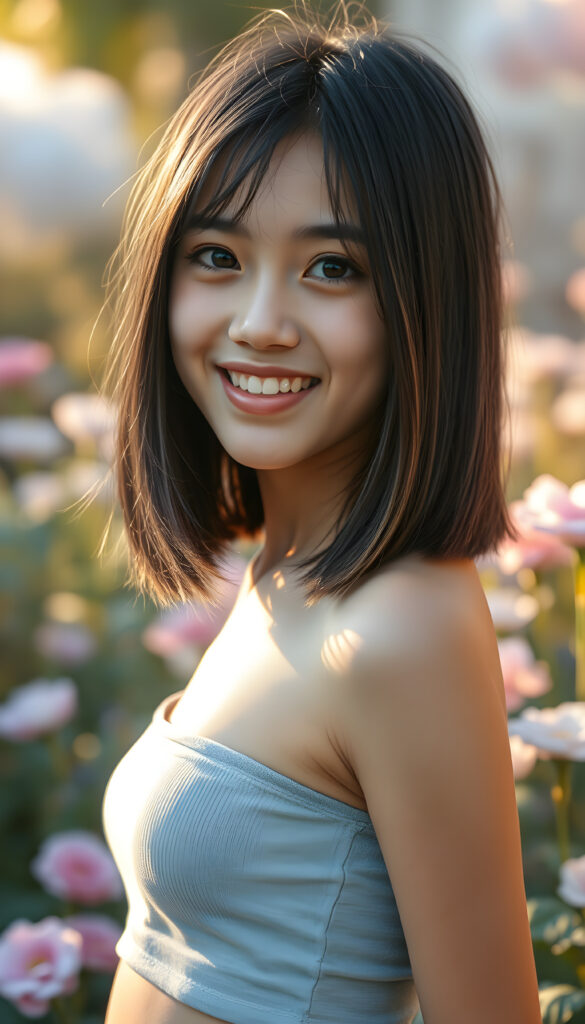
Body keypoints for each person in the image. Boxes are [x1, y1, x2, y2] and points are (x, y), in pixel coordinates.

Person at [99, 3, 543, 1022]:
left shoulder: (402, 626)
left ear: (423, 306)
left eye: (331, 268)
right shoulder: (289, 569)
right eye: (216, 255)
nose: (258, 324)